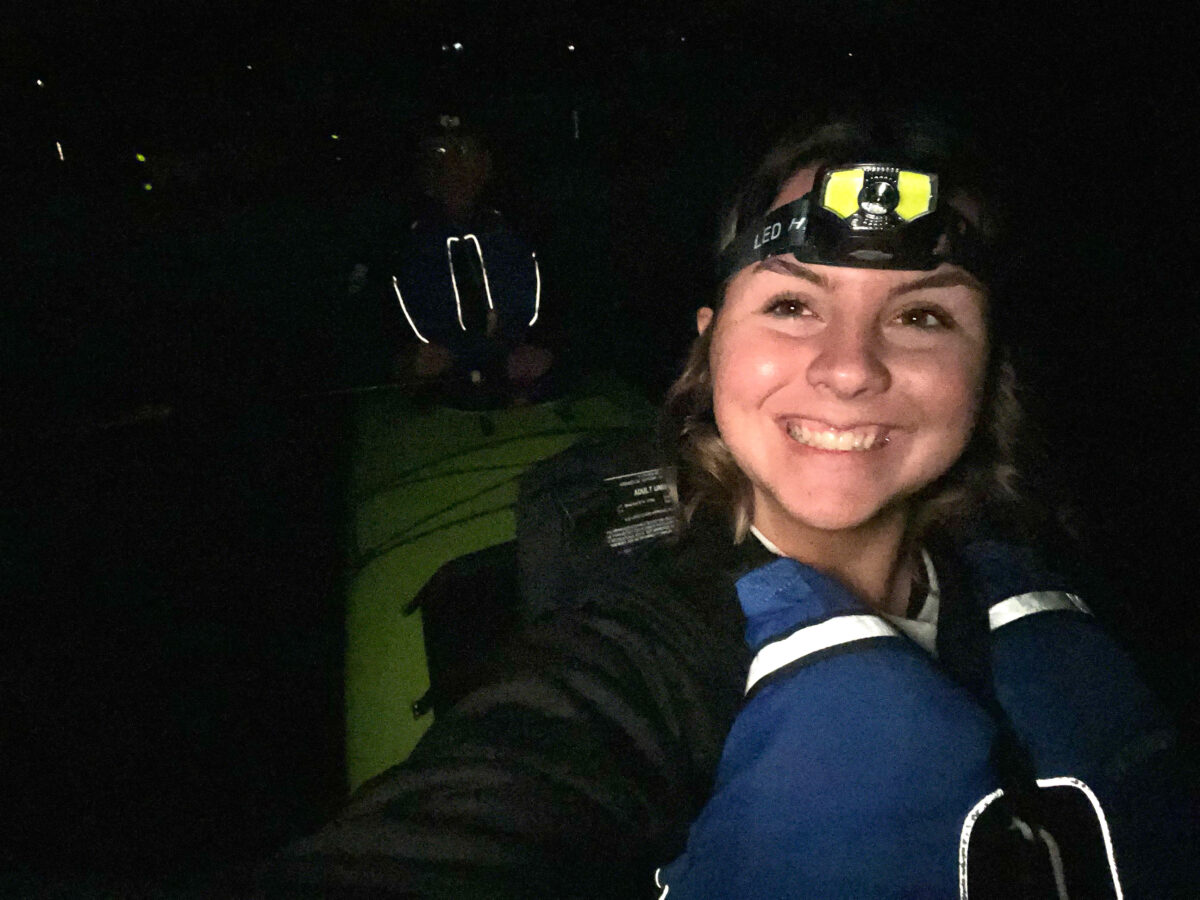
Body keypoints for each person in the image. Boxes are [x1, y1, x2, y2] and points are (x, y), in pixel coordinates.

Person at [259, 114, 1198, 898]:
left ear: (985, 367)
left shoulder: (1074, 585)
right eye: (793, 306)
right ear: (709, 349)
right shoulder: (644, 666)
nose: (848, 368)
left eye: (921, 316)